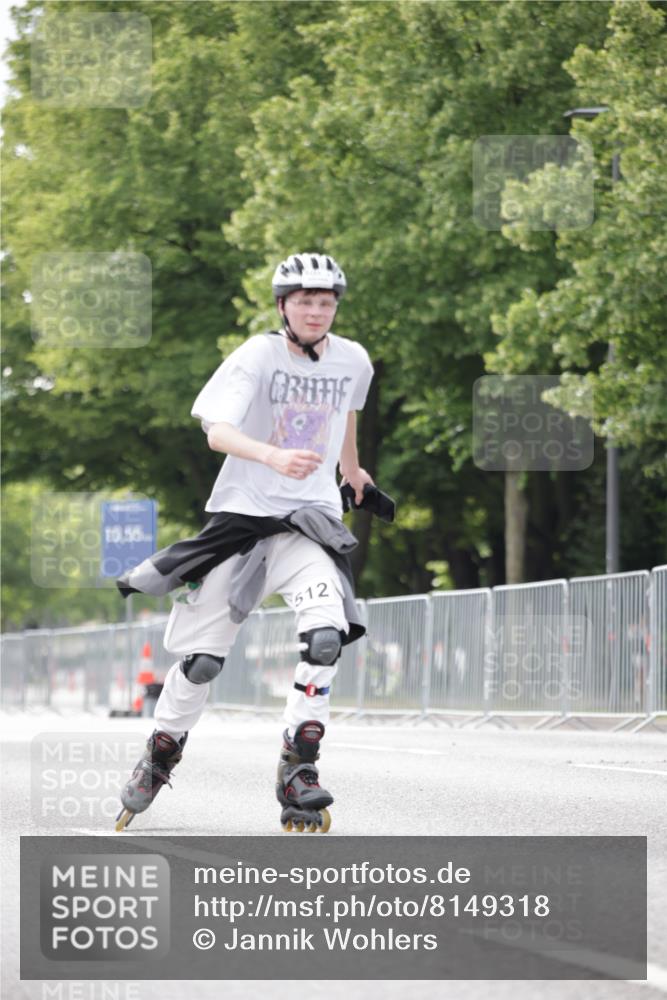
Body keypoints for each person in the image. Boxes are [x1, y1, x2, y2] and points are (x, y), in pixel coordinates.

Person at [116, 252, 375, 833]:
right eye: (305, 301)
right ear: (283, 306)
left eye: (326, 302)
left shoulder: (353, 359)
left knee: (326, 638)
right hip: (242, 523)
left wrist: (352, 471)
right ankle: (161, 751)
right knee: (204, 663)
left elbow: (345, 415)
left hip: (308, 523)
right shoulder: (257, 355)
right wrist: (273, 456)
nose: (316, 311)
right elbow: (217, 430)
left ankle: (298, 765)